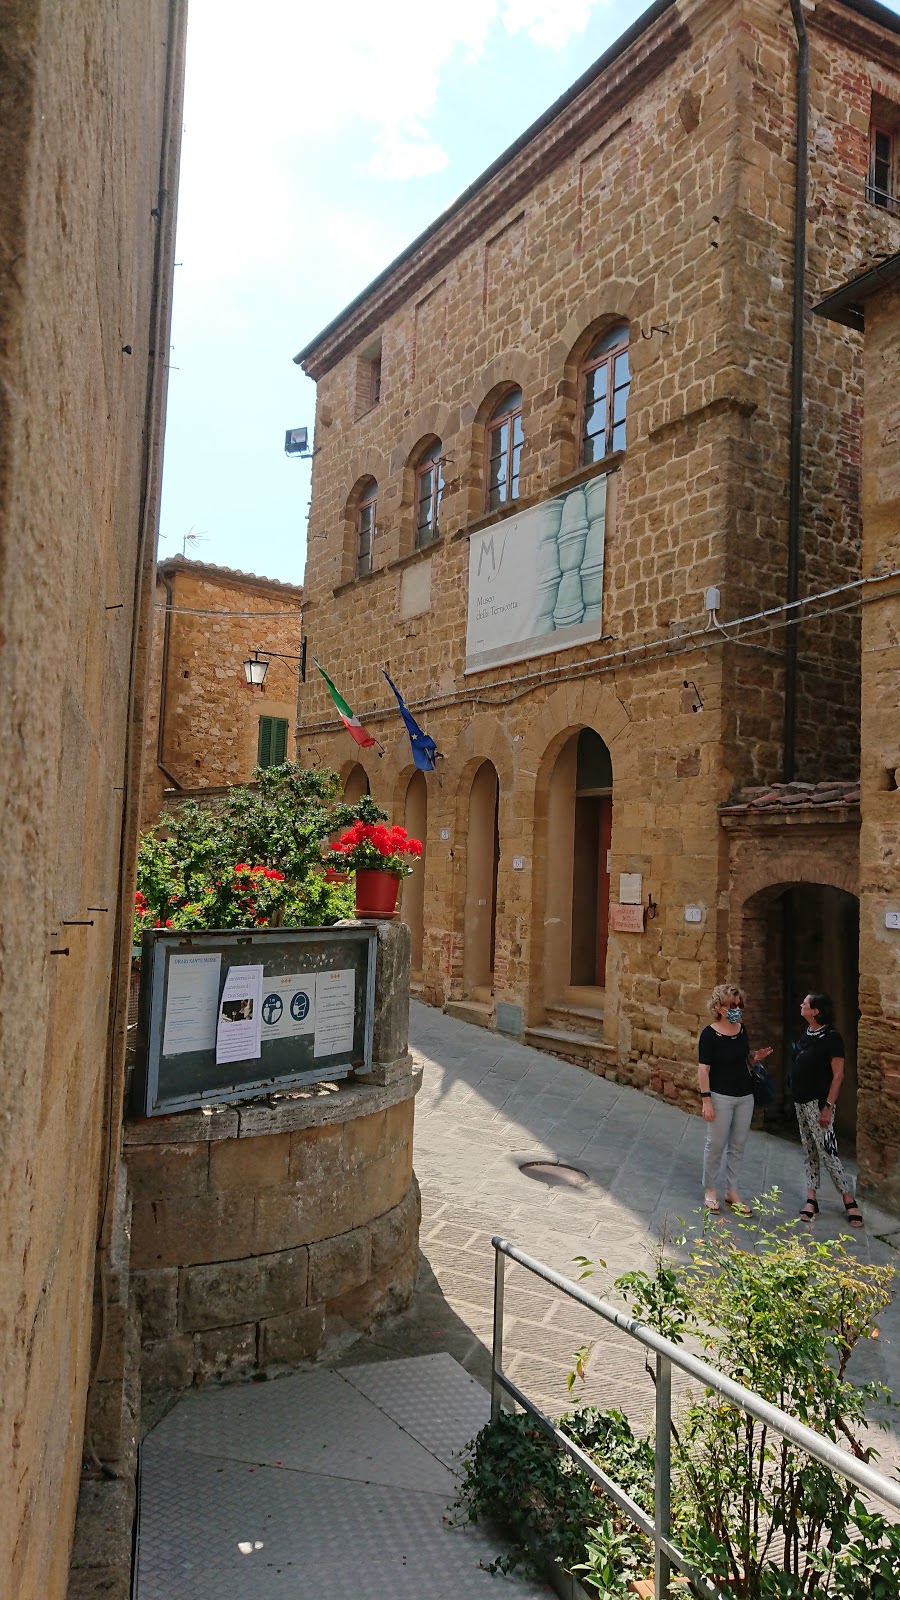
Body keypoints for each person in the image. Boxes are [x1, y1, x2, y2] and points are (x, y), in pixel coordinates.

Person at [698, 983, 772, 1216]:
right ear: (719, 1007)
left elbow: (742, 1061)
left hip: (745, 1096)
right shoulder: (709, 1034)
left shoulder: (742, 1030)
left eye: (739, 1005)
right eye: (732, 1005)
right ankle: (710, 1188)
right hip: (721, 1097)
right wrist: (706, 1100)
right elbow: (703, 1069)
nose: (737, 1008)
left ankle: (732, 1190)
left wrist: (754, 1058)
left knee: (738, 1146)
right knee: (716, 1145)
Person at [792, 993, 863, 1228]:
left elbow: (838, 1075)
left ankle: (848, 1199)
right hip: (800, 1102)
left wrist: (828, 1108)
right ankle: (811, 1198)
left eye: (806, 1003)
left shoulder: (832, 1038)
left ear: (816, 1011)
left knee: (827, 1152)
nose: (801, 1005)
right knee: (809, 1149)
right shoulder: (807, 1034)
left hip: (819, 1103)